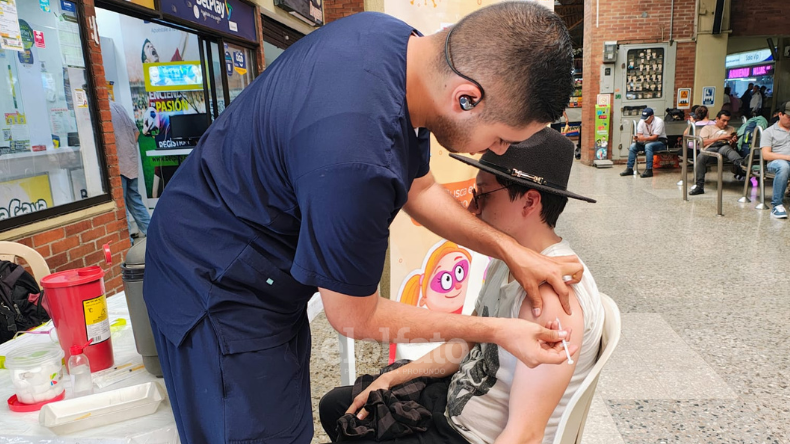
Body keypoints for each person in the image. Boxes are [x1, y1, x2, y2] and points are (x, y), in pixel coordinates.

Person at [143, 4, 581, 443]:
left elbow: (421, 190)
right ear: (466, 97)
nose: (500, 152)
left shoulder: (394, 45)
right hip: (216, 285)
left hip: (260, 271)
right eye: (503, 137)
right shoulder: (356, 154)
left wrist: (510, 250)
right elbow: (356, 315)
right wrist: (495, 330)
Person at [319, 128, 603, 444]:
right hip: (452, 404)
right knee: (337, 405)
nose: (471, 209)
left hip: (471, 435)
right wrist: (393, 376)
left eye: (481, 195)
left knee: (352, 427)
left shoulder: (553, 300)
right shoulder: (509, 258)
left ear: (529, 201)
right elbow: (468, 342)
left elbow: (525, 433)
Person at [109, 100, 150, 243]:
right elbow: (136, 133)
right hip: (130, 162)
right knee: (134, 200)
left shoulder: (103, 111)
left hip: (118, 164)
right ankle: (152, 233)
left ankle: (127, 244)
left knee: (121, 206)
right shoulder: (118, 106)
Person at [689, 110, 744, 196]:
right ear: (717, 119)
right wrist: (721, 138)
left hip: (725, 148)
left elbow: (732, 147)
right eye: (723, 120)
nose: (725, 123)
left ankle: (742, 164)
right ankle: (699, 186)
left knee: (727, 149)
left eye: (727, 121)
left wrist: (733, 141)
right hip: (710, 149)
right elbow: (702, 143)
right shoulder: (707, 128)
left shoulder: (731, 129)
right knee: (701, 157)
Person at [761, 102, 790, 219]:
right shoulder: (769, 132)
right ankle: (777, 205)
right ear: (780, 114)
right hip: (776, 162)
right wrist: (787, 157)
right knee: (784, 167)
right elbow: (766, 155)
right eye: (789, 117)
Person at [620, 107, 667, 178]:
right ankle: (629, 168)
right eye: (644, 118)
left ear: (652, 116)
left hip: (659, 142)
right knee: (633, 146)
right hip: (646, 142)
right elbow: (639, 134)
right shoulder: (642, 121)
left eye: (647, 118)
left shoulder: (659, 121)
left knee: (649, 146)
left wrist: (643, 138)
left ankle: (649, 170)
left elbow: (655, 137)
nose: (645, 120)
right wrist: (637, 137)